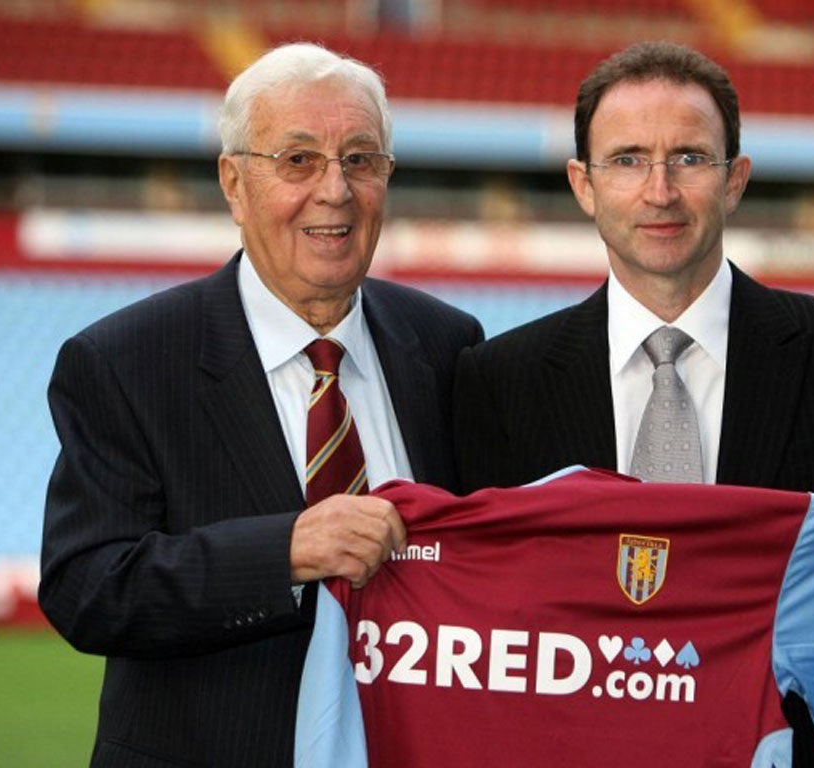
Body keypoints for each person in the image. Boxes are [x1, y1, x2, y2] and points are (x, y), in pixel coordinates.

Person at [453, 41, 814, 766]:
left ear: (734, 180)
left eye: (689, 158)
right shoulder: (500, 378)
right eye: (627, 159)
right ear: (583, 184)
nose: (659, 190)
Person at [39, 43, 482, 767]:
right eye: (298, 160)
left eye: (361, 160)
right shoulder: (124, 361)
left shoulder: (447, 345)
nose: (335, 191)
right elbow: (87, 586)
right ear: (234, 183)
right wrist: (284, 553)